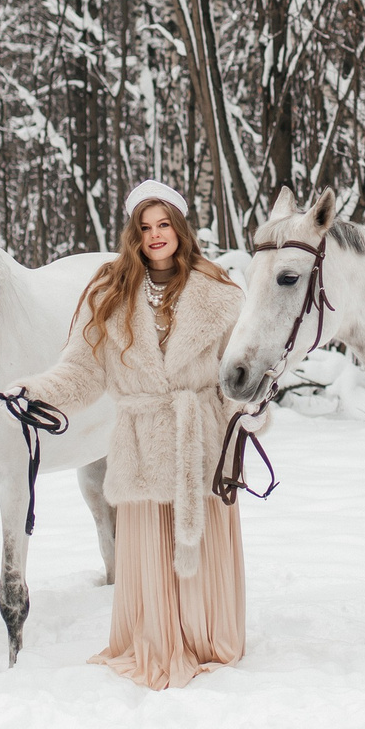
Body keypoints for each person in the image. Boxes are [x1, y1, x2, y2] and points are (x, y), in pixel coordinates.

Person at [21, 179, 247, 688]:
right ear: (133, 234)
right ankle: (159, 640)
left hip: (202, 442)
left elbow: (238, 374)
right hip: (142, 443)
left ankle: (209, 639)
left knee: (205, 547)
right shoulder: (108, 294)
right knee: (150, 551)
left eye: (164, 224)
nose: (155, 235)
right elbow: (81, 371)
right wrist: (34, 392)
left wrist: (248, 416)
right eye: (145, 227)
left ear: (180, 227)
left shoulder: (222, 293)